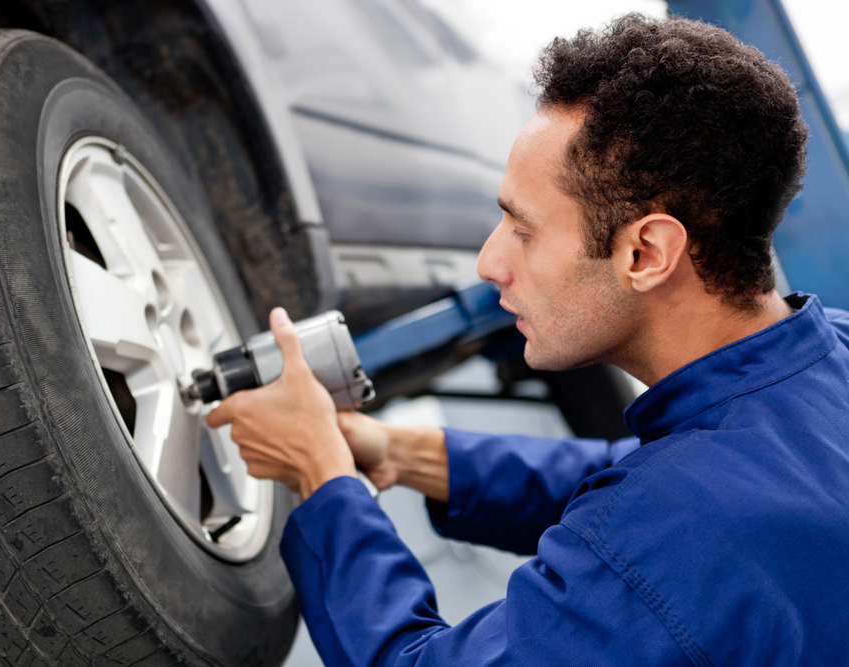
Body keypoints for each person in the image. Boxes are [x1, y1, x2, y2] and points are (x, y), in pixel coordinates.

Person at [207, 14, 849, 667]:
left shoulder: (682, 532)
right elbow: (627, 478)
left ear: (646, 251)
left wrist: (321, 477)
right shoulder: (829, 358)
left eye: (523, 228)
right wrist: (402, 452)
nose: (489, 262)